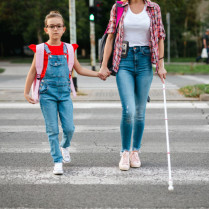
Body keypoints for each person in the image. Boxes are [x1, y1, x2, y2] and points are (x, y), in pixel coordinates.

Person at [24, 11, 106, 175]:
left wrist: (98, 73)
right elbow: (32, 72)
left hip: (64, 94)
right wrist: (27, 92)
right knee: (52, 129)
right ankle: (57, 161)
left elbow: (79, 69)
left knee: (69, 128)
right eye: (51, 26)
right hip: (47, 93)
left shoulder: (69, 49)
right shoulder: (40, 50)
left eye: (58, 26)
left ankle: (65, 146)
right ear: (46, 29)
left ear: (64, 29)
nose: (55, 29)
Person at [100, 0, 167, 171]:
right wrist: (104, 65)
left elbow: (160, 37)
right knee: (128, 109)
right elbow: (110, 36)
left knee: (140, 111)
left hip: (145, 61)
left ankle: (135, 151)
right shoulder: (119, 7)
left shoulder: (153, 8)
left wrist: (160, 65)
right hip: (124, 61)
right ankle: (124, 151)